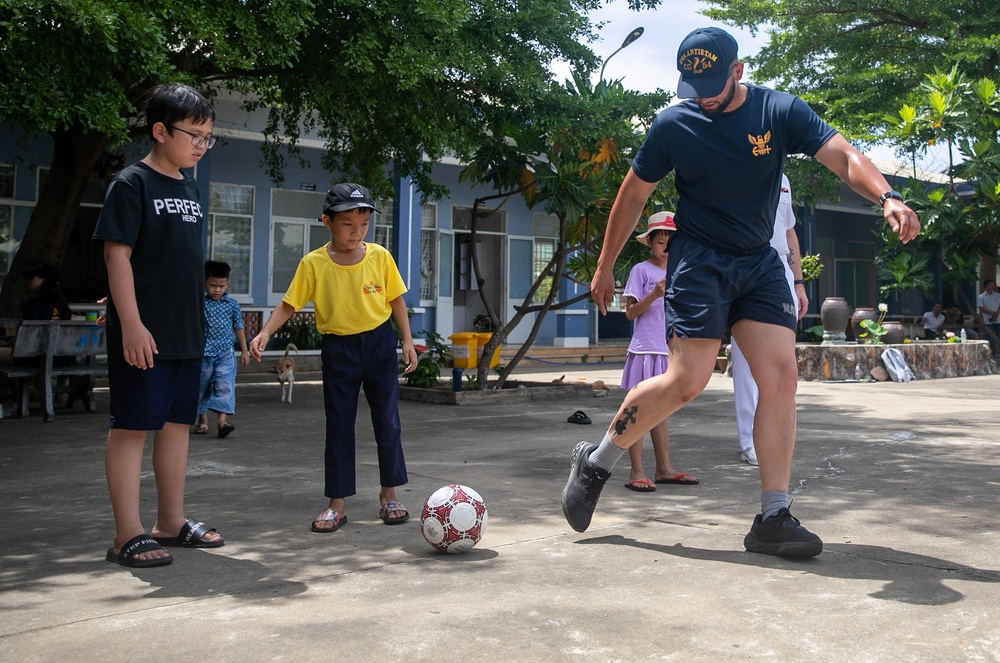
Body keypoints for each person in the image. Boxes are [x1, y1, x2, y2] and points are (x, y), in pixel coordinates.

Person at [561, 26, 919, 558]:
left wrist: (887, 195)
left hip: (759, 263)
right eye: (693, 83)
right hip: (700, 261)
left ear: (738, 71)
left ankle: (773, 516)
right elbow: (633, 194)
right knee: (687, 382)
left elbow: (843, 155)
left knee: (780, 377)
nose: (703, 94)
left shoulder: (778, 113)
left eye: (712, 82)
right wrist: (606, 265)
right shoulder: (674, 124)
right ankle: (597, 460)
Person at [93, 83, 224, 568]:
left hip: (184, 329)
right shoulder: (132, 184)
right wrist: (130, 323)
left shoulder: (188, 185)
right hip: (142, 332)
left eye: (208, 137)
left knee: (176, 425)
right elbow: (117, 255)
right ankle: (126, 532)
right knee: (131, 425)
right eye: (194, 135)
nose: (201, 146)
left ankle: (170, 521)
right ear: (159, 131)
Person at [249, 183, 418, 533]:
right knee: (339, 426)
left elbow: (396, 300)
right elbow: (290, 303)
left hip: (379, 345)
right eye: (347, 224)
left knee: (387, 422)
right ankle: (337, 504)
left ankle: (389, 494)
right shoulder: (313, 263)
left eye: (363, 223)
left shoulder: (380, 256)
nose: (357, 232)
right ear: (327, 221)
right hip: (339, 349)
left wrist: (407, 341)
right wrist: (265, 333)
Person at [731, 174, 807, 466]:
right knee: (746, 361)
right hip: (746, 268)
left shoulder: (785, 177)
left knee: (783, 365)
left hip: (780, 273)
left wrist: (798, 283)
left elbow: (789, 236)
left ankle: (774, 438)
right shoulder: (739, 163)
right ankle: (749, 441)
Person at [620, 212, 698, 492]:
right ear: (650, 242)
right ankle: (636, 471)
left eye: (669, 241)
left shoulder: (680, 270)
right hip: (644, 350)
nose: (664, 246)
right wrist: (654, 294)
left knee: (661, 412)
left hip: (669, 350)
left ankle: (664, 469)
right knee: (638, 409)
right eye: (660, 241)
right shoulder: (641, 271)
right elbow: (630, 314)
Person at [194, 260, 250, 437]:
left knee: (224, 384)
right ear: (204, 282)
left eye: (221, 286)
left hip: (225, 353)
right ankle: (202, 419)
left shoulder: (232, 304)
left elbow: (238, 327)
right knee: (200, 387)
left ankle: (222, 421)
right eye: (212, 286)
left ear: (227, 284)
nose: (217, 290)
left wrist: (244, 350)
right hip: (203, 353)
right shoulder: (200, 303)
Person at [977, 280, 1000, 354]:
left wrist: (997, 313)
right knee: (990, 337)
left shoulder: (997, 295)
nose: (992, 286)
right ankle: (992, 353)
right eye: (990, 285)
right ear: (986, 286)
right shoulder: (981, 296)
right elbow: (981, 307)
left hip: (998, 319)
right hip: (988, 320)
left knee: (999, 335)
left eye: (993, 285)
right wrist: (992, 313)